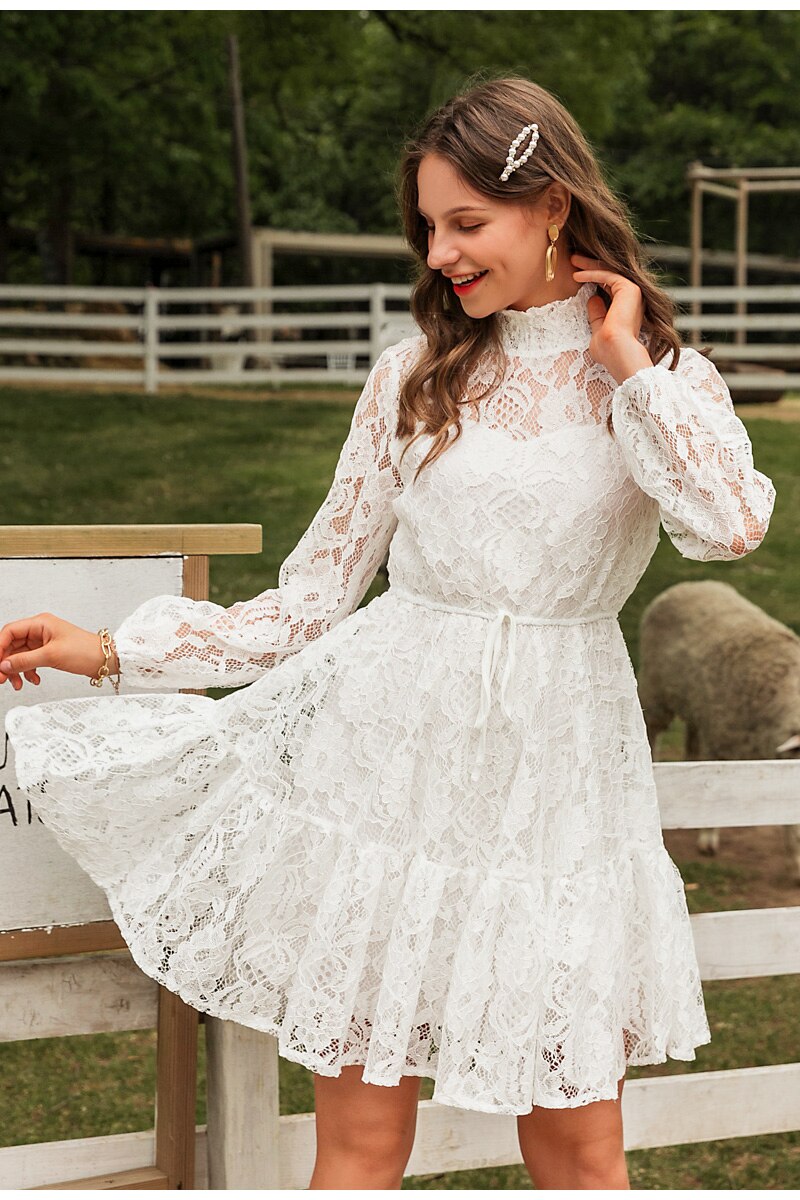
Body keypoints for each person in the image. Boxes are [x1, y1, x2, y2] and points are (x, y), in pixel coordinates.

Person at [1, 75, 776, 1190]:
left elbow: (731, 524)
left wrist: (627, 368)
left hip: (558, 797)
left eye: (467, 222)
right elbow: (310, 601)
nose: (440, 253)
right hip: (385, 788)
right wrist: (110, 652)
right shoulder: (412, 378)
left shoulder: (655, 381)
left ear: (551, 205)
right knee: (359, 1146)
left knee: (577, 1148)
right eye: (427, 227)